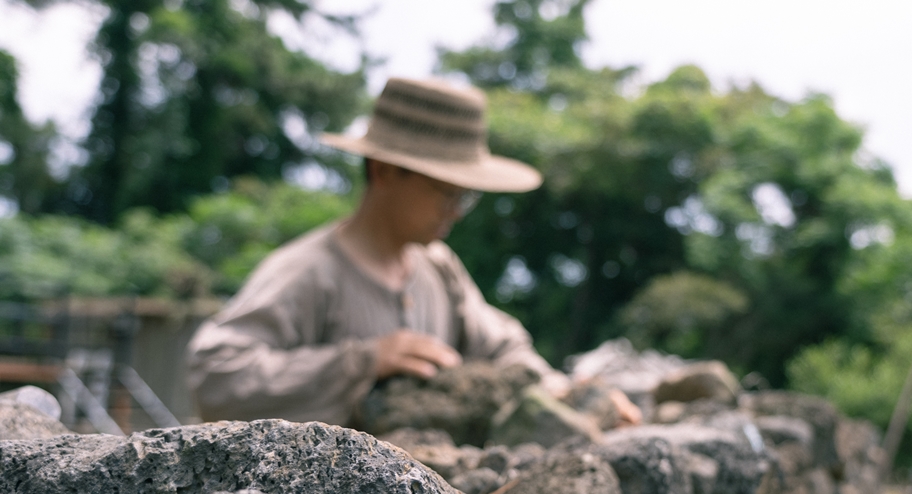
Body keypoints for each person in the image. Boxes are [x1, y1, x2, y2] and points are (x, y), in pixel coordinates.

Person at [187, 77, 638, 427]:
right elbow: (216, 374)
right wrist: (361, 362)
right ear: (383, 171)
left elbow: (504, 352)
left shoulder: (439, 267)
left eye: (466, 197)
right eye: (446, 193)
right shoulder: (308, 272)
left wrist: (574, 397)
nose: (457, 212)